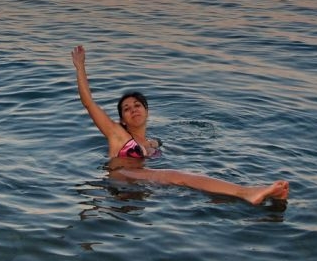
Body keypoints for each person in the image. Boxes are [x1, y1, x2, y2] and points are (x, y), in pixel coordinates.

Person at [71, 45, 289, 206]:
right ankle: (246, 192)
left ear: (147, 111)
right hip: (121, 179)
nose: (133, 109)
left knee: (191, 184)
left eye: (138, 105)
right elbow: (89, 103)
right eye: (127, 109)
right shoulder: (117, 135)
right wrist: (80, 66)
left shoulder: (153, 143)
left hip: (140, 188)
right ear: (122, 120)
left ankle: (243, 198)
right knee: (178, 176)